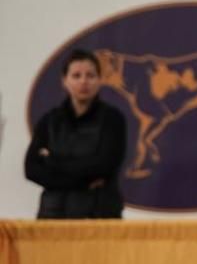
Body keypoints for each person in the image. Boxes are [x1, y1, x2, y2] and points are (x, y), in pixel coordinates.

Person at [24, 49, 127, 219]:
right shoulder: (49, 121)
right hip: (53, 217)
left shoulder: (113, 119)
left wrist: (52, 161)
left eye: (90, 75)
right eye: (76, 76)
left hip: (99, 216)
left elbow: (105, 165)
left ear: (100, 80)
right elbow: (31, 169)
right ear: (65, 81)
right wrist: (84, 182)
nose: (84, 82)